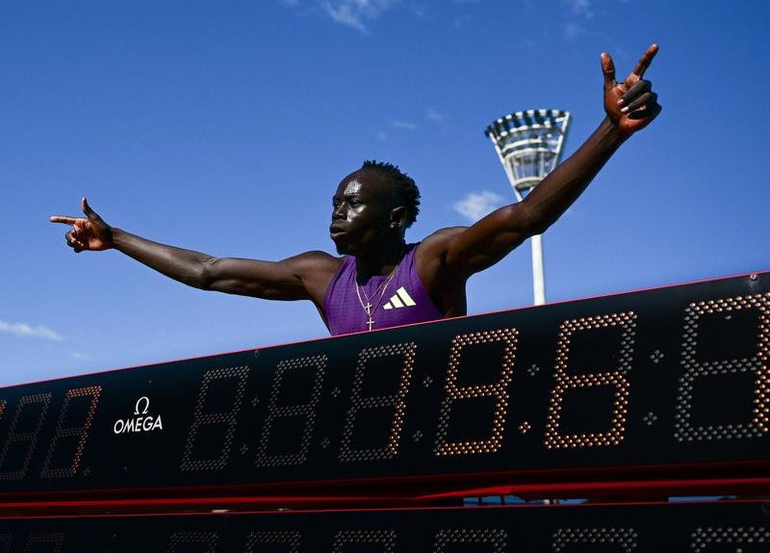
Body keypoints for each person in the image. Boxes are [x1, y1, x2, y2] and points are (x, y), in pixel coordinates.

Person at [51, 45, 662, 336]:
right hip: (365, 467)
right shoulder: (322, 277)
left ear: (395, 217)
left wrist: (611, 131)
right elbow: (209, 271)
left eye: (352, 203)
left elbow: (527, 216)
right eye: (335, 201)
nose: (336, 212)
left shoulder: (434, 258)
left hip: (440, 463)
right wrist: (117, 237)